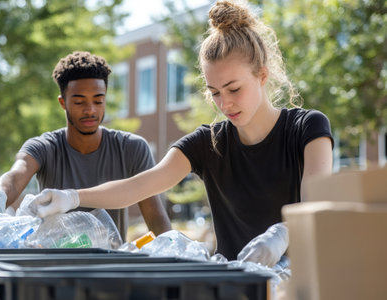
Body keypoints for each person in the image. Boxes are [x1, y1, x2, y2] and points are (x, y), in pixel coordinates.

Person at [28, 0, 333, 266]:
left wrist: (283, 234)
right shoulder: (208, 142)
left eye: (234, 89)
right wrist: (72, 197)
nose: (224, 104)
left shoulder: (307, 129)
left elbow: (315, 205)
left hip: (300, 283)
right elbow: (140, 185)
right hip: (235, 285)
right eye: (214, 92)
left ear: (262, 75)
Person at [0, 51, 172, 240]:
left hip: (111, 266)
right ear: (63, 102)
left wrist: (173, 250)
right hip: (56, 265)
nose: (90, 109)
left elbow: (155, 217)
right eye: (80, 101)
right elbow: (15, 178)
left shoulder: (132, 148)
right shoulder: (44, 147)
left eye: (98, 101)